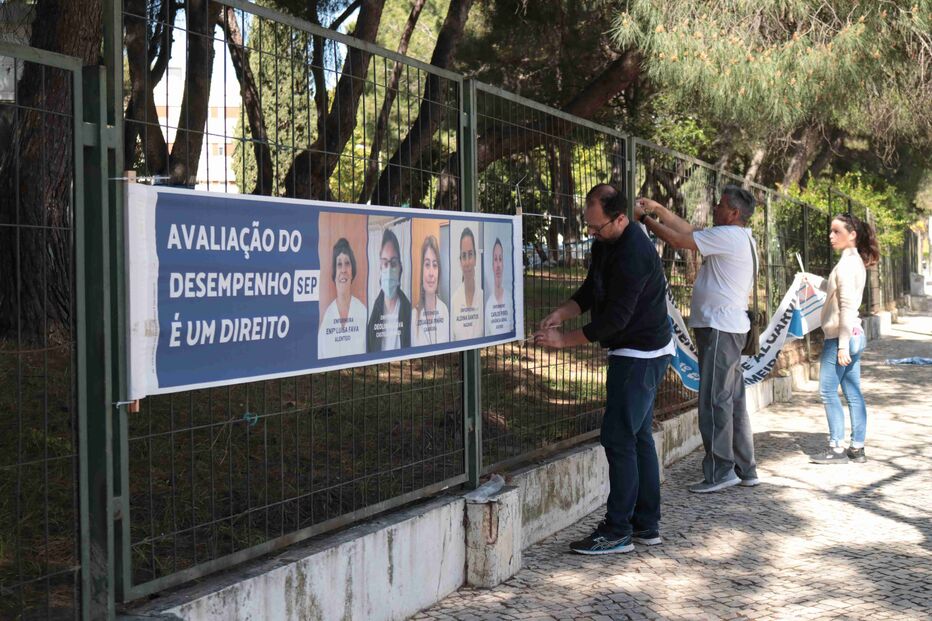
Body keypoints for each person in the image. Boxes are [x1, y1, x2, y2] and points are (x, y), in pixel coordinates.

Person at [535, 184, 673, 555]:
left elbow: (614, 319)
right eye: (589, 228)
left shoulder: (635, 253)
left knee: (618, 437)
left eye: (598, 228)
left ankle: (617, 531)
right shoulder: (605, 242)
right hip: (636, 348)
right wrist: (562, 312)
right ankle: (646, 525)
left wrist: (564, 341)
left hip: (641, 352)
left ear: (622, 218)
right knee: (638, 435)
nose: (593, 235)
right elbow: (591, 290)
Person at [636, 186, 759, 493]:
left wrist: (645, 220)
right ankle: (745, 468)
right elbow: (690, 231)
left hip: (720, 327)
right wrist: (659, 209)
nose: (715, 209)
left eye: (719, 205)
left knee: (714, 400)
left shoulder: (729, 236)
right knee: (732, 400)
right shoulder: (737, 235)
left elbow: (680, 240)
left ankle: (720, 471)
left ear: (733, 213)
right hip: (728, 327)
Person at [804, 214, 879, 464]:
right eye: (831, 231)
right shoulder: (853, 261)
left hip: (841, 336)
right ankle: (857, 448)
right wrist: (814, 281)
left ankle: (836, 448)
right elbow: (837, 290)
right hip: (855, 333)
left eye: (837, 231)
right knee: (853, 392)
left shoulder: (848, 264)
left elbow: (846, 306)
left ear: (852, 234)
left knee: (827, 390)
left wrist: (842, 345)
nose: (831, 236)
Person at [318, 238, 367, 358]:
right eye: (339, 264)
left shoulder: (363, 312)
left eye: (347, 263)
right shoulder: (327, 316)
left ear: (352, 271)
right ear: (334, 273)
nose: (344, 270)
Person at [366, 228, 411, 352]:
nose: (389, 269)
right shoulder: (373, 314)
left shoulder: (409, 312)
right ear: (380, 268)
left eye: (394, 263)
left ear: (400, 268)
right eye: (385, 263)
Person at [412, 235, 450, 346]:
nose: (431, 273)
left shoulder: (444, 311)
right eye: (427, 264)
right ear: (422, 270)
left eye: (435, 265)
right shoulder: (413, 317)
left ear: (439, 271)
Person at [451, 227, 484, 340]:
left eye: (470, 254)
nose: (467, 262)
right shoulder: (454, 300)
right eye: (463, 256)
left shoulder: (483, 297)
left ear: (475, 258)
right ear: (460, 261)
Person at [484, 238, 513, 336]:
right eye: (495, 259)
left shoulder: (510, 299)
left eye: (500, 259)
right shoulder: (488, 304)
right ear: (492, 265)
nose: (498, 265)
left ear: (503, 264)